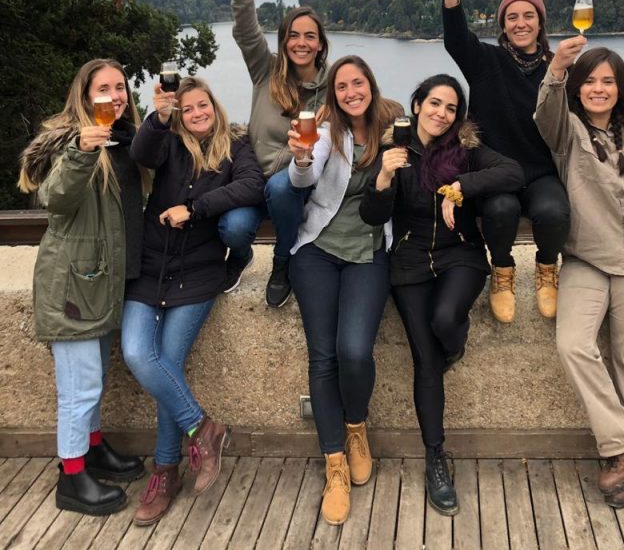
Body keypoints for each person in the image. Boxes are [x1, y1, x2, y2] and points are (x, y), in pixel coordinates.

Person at [360, 74, 525, 516]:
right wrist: (383, 177)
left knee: (446, 321)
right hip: (410, 261)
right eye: (434, 103)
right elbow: (371, 214)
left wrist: (462, 187)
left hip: (460, 255)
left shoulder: (466, 150)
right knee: (425, 361)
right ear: (416, 105)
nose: (441, 114)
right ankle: (436, 457)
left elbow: (513, 171)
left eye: (451, 108)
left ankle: (456, 344)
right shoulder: (394, 148)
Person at [122, 76, 264, 525]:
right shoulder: (168, 144)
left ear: (214, 106)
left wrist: (196, 208)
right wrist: (158, 118)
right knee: (136, 353)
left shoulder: (236, 144)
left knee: (166, 360)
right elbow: (140, 154)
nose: (197, 113)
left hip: (198, 273)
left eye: (203, 105)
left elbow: (252, 187)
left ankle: (165, 471)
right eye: (188, 109)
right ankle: (204, 430)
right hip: (149, 270)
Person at [534, 42, 624, 508]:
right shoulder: (566, 130)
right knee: (573, 343)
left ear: (621, 87)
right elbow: (545, 111)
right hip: (587, 257)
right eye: (589, 80)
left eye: (608, 81)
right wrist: (556, 70)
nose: (599, 89)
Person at [18, 59, 148, 516]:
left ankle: (91, 448)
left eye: (121, 87)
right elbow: (54, 198)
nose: (115, 95)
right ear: (84, 95)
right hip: (72, 282)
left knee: (94, 378)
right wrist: (81, 150)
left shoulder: (122, 141)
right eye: (104, 88)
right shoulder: (70, 141)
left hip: (99, 280)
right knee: (80, 387)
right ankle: (71, 478)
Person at [287, 56, 399, 526]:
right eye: (343, 85)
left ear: (371, 86)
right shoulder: (326, 131)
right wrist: (299, 157)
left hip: (370, 249)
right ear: (333, 93)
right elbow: (303, 179)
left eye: (358, 83)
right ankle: (334, 462)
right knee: (324, 357)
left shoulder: (394, 128)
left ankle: (357, 426)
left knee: (354, 351)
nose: (352, 91)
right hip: (318, 248)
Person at [437, 0, 570, 323]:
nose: (521, 23)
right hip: (494, 167)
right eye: (512, 17)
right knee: (499, 211)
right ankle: (502, 271)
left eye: (529, 15)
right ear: (503, 25)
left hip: (540, 169)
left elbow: (596, 96)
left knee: (554, 212)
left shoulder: (556, 68)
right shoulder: (486, 61)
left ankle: (546, 268)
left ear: (541, 23)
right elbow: (455, 38)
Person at [219, 0, 329, 307]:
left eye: (309, 36)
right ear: (284, 40)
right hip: (253, 182)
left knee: (283, 188)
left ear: (320, 45)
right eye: (293, 35)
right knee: (234, 229)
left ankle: (282, 262)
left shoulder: (333, 87)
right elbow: (247, 32)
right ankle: (240, 256)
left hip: (297, 189)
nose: (301, 42)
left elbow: (370, 99)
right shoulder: (266, 70)